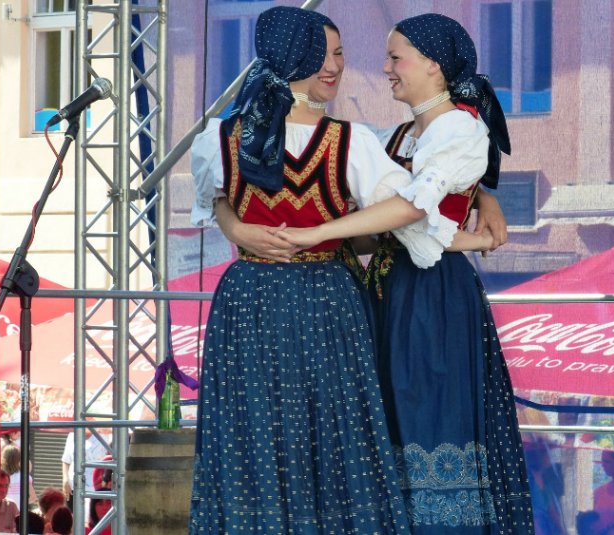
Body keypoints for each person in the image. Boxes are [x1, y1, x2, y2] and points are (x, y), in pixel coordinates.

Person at [186, 6, 490, 532]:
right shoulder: (353, 143)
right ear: (300, 57)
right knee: (333, 432)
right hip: (324, 295)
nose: (338, 65)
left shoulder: (220, 136)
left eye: (340, 53)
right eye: (328, 54)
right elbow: (412, 214)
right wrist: (474, 231)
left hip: (248, 296)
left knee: (252, 428)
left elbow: (212, 200)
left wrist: (237, 228)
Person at [276, 13, 534, 533]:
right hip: (389, 290)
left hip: (432, 294)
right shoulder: (399, 135)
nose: (386, 68)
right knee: (389, 422)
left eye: (396, 58)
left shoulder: (458, 128)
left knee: (430, 421)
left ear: (433, 64)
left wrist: (316, 232)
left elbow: (418, 213)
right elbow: (389, 221)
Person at [61, 430, 109, 520]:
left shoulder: (104, 436)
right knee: (74, 519)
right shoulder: (72, 435)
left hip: (95, 489)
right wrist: (65, 479)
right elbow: (66, 460)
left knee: (92, 520)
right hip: (74, 487)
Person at [2, 443, 37, 511]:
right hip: (20, 513)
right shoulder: (25, 477)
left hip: (4, 513)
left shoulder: (0, 478)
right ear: (19, 461)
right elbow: (33, 498)